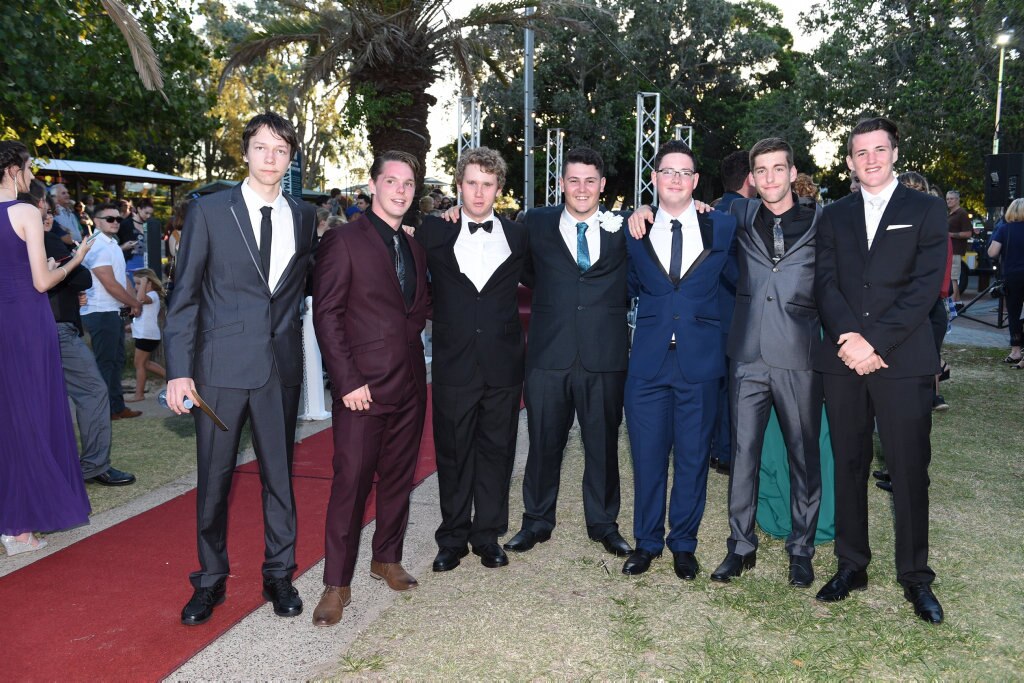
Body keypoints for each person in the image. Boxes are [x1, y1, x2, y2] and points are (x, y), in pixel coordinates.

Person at [164, 111, 317, 626]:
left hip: (279, 369)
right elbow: (183, 298)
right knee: (214, 481)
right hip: (219, 370)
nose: (271, 158)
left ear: (290, 158)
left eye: (281, 149)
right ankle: (209, 581)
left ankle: (279, 575)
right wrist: (179, 371)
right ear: (245, 152)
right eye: (261, 147)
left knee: (280, 477)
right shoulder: (209, 212)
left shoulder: (304, 216)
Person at [814, 117, 947, 624]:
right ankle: (852, 565)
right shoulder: (834, 215)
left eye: (879, 149)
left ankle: (915, 577)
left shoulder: (927, 210)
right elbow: (825, 282)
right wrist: (851, 338)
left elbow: (923, 288)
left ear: (894, 153)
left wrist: (875, 341)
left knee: (909, 471)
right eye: (860, 152)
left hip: (902, 359)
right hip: (844, 359)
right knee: (847, 465)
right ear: (848, 161)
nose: (870, 159)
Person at [311, 150, 430, 627]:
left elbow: (416, 310)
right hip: (361, 391)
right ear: (374, 185)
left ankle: (386, 558)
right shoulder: (344, 240)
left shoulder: (415, 247)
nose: (401, 190)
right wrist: (348, 381)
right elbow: (328, 315)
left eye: (408, 184)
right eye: (392, 181)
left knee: (400, 478)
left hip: (409, 386)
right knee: (351, 487)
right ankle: (337, 584)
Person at [502, 147, 633, 559]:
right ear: (561, 184)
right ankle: (537, 521)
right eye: (573, 180)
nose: (582, 188)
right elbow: (518, 266)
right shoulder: (535, 224)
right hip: (548, 355)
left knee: (603, 444)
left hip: (604, 356)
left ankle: (603, 524)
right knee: (542, 442)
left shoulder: (625, 228)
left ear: (602, 185)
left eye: (590, 180)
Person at [703, 138, 824, 587]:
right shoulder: (736, 215)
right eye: (761, 171)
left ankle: (801, 548)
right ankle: (741, 545)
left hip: (799, 355)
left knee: (803, 455)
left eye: (779, 169)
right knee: (742, 454)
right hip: (747, 355)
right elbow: (683, 215)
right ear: (751, 178)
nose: (770, 178)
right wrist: (643, 212)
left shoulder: (822, 221)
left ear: (793, 173)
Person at [618, 140, 737, 579]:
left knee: (691, 459)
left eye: (684, 173)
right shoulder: (633, 230)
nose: (676, 180)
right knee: (647, 458)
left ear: (695, 181)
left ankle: (683, 544)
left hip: (700, 364)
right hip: (647, 365)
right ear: (654, 178)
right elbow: (624, 285)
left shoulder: (721, 228)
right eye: (668, 171)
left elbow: (741, 280)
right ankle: (647, 542)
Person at [416, 148, 529, 573]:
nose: (479, 192)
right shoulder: (434, 232)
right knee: (452, 451)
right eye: (471, 183)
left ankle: (488, 536)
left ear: (498, 189)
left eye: (488, 184)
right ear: (459, 186)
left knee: (497, 451)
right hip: (453, 363)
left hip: (503, 364)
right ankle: (453, 538)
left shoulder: (518, 237)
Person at [0, 141, 92, 554]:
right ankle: (19, 529)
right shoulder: (24, 212)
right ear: (15, 170)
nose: (31, 176)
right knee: (34, 415)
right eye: (28, 168)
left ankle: (11, 522)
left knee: (9, 418)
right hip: (27, 323)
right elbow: (40, 282)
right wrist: (73, 261)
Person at [25, 180, 137, 487]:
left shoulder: (24, 238)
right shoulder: (43, 240)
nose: (51, 217)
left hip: (41, 327)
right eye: (47, 210)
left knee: (47, 401)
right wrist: (72, 267)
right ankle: (93, 465)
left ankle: (53, 469)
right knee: (93, 391)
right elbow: (84, 276)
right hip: (58, 329)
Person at [81, 202, 143, 420]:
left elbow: (121, 278)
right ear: (97, 221)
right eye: (110, 219)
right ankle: (107, 410)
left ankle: (116, 407)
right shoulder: (97, 244)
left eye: (118, 219)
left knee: (114, 362)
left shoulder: (112, 244)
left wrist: (133, 300)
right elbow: (109, 283)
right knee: (106, 363)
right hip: (100, 311)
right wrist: (134, 303)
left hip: (111, 311)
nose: (115, 222)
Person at [988, 198, 1024, 369]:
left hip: (1013, 275)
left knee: (1014, 313)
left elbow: (992, 252)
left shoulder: (1004, 228)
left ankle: (1016, 350)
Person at [125, 268, 166, 402]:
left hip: (146, 336)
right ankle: (171, 378)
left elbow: (140, 298)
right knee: (146, 364)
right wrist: (130, 327)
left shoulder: (152, 295)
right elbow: (145, 319)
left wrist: (143, 282)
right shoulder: (151, 297)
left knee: (139, 365)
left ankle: (139, 394)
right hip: (147, 335)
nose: (137, 287)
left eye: (139, 283)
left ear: (149, 283)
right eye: (136, 284)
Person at [946, 190, 972, 304]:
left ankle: (955, 300)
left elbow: (968, 233)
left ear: (957, 200)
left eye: (951, 198)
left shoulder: (962, 213)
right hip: (949, 248)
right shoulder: (950, 213)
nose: (949, 201)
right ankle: (956, 300)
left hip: (956, 249)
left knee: (954, 276)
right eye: (947, 199)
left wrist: (950, 235)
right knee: (951, 275)